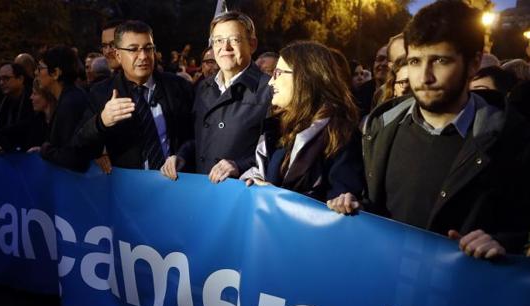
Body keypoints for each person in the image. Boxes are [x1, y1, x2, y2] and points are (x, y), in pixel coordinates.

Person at [328, 0, 530, 259]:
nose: (424, 77)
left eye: (439, 60)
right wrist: (348, 205)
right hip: (380, 287)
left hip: (461, 294)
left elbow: (518, 231)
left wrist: (500, 245)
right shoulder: (380, 126)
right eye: (414, 61)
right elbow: (370, 202)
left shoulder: (513, 139)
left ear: (473, 63)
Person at [240, 41, 365, 201]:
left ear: (304, 76)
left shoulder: (340, 134)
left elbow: (340, 203)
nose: (271, 82)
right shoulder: (278, 127)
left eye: (277, 73)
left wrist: (277, 196)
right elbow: (263, 174)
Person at [160, 11, 271, 183]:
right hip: (203, 195)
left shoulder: (270, 90)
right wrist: (181, 156)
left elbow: (279, 153)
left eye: (234, 40)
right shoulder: (204, 87)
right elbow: (198, 139)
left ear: (252, 44)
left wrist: (240, 166)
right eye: (218, 40)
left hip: (243, 198)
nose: (225, 48)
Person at [72, 20, 194, 171]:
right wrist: (102, 121)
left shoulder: (179, 87)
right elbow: (77, 146)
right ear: (118, 55)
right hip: (128, 190)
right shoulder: (100, 93)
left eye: (148, 48)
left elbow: (196, 136)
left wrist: (182, 155)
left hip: (176, 185)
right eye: (133, 49)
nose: (143, 56)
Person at [34, 45, 91, 171]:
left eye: (40, 68)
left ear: (56, 73)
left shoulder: (70, 103)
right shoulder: (69, 98)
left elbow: (72, 157)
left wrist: (46, 150)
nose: (36, 73)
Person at [0, 62, 35, 153]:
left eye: (6, 78)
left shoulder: (33, 100)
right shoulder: (4, 103)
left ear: (20, 79)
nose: (1, 83)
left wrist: (0, 138)